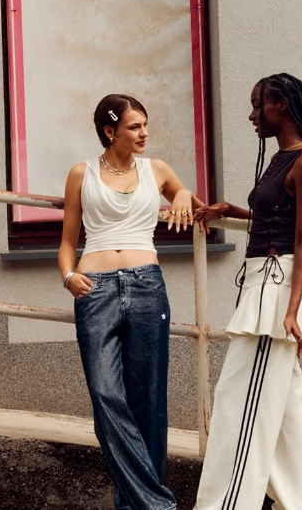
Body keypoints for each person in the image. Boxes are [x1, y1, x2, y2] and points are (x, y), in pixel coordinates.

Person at [59, 94, 203, 510]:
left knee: (149, 400)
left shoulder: (156, 169)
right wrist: (67, 276)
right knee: (105, 395)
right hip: (95, 289)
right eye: (134, 127)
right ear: (110, 131)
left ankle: (136, 506)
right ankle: (157, 504)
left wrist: (182, 192)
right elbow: (67, 243)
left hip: (146, 288)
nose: (144, 133)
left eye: (145, 125)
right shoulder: (81, 173)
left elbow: (190, 201)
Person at [192, 73, 302, 510]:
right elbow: (274, 215)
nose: (252, 115)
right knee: (284, 416)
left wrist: (291, 312)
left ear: (281, 105)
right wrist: (229, 210)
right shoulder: (281, 158)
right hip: (263, 285)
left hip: (277, 294)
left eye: (258, 105)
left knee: (238, 404)